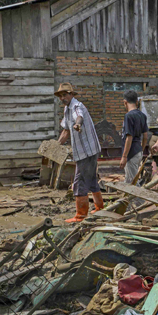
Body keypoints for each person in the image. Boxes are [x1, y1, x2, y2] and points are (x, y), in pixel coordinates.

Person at [55, 82, 103, 223]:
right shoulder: (67, 109)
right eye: (60, 96)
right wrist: (56, 146)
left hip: (86, 151)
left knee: (79, 181)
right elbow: (66, 131)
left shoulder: (76, 106)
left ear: (71, 94)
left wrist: (78, 124)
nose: (62, 98)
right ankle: (99, 207)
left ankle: (80, 216)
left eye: (65, 95)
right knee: (91, 179)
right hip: (88, 150)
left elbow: (79, 116)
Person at [120, 90, 148, 184]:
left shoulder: (128, 116)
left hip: (131, 153)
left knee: (132, 183)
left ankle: (138, 199)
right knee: (130, 179)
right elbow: (145, 136)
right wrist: (141, 149)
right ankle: (130, 198)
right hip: (138, 151)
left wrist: (124, 156)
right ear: (137, 102)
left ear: (125, 102)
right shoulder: (142, 115)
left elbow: (129, 137)